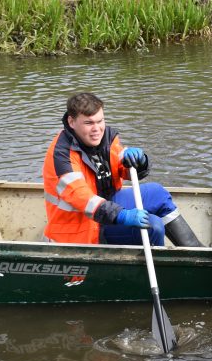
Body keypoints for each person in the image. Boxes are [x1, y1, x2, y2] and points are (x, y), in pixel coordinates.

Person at [42, 92, 203, 247]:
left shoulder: (106, 137)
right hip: (81, 227)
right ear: (71, 122)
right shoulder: (61, 155)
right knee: (153, 226)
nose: (97, 129)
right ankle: (158, 263)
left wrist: (138, 162)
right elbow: (83, 199)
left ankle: (195, 252)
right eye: (89, 123)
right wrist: (121, 215)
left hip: (106, 204)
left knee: (157, 193)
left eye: (100, 121)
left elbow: (122, 169)